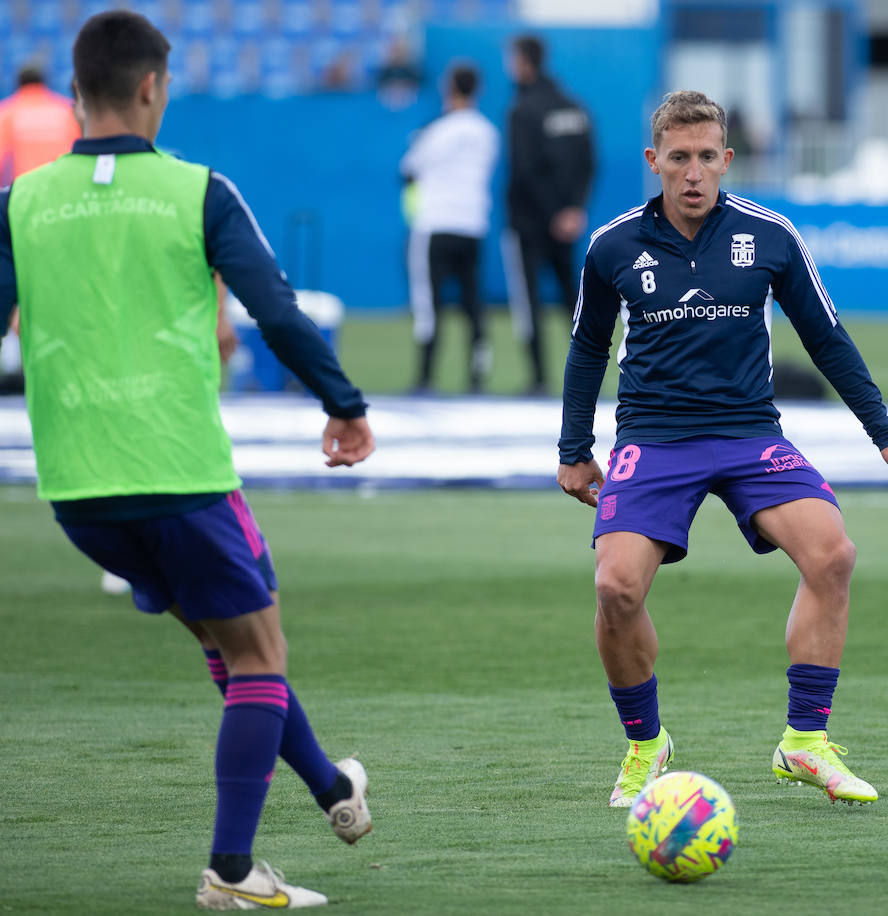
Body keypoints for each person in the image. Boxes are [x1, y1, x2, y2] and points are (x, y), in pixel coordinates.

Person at [0, 11, 377, 907]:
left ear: (76, 93)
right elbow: (278, 314)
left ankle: (333, 788)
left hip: (78, 490)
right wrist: (345, 405)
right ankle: (234, 871)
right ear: (150, 88)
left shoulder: (20, 203)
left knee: (229, 637)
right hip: (178, 469)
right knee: (260, 655)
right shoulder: (197, 190)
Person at [556, 90, 888, 809]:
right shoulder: (613, 245)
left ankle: (805, 743)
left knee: (834, 554)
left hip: (749, 434)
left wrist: (885, 432)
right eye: (679, 159)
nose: (694, 172)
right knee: (615, 588)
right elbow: (586, 347)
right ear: (654, 162)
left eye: (707, 157)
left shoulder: (770, 236)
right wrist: (574, 447)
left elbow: (825, 337)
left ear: (726, 159)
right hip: (654, 437)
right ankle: (646, 744)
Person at [504, 33, 594, 396]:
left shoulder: (522, 110)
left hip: (529, 222)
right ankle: (589, 373)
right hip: (566, 222)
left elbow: (524, 170)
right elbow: (588, 162)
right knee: (574, 300)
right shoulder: (573, 107)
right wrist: (572, 210)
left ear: (524, 61)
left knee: (529, 301)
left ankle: (539, 378)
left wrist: (554, 213)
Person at [401, 63, 499, 394]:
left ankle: (426, 376)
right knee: (473, 302)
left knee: (430, 302)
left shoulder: (436, 130)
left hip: (436, 222)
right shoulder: (488, 132)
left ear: (450, 88)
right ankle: (477, 372)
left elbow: (408, 169)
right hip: (472, 223)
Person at [0, 67, 83, 393]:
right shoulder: (64, 110)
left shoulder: (9, 112)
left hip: (25, 205)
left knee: (18, 284)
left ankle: (15, 364)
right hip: (65, 205)